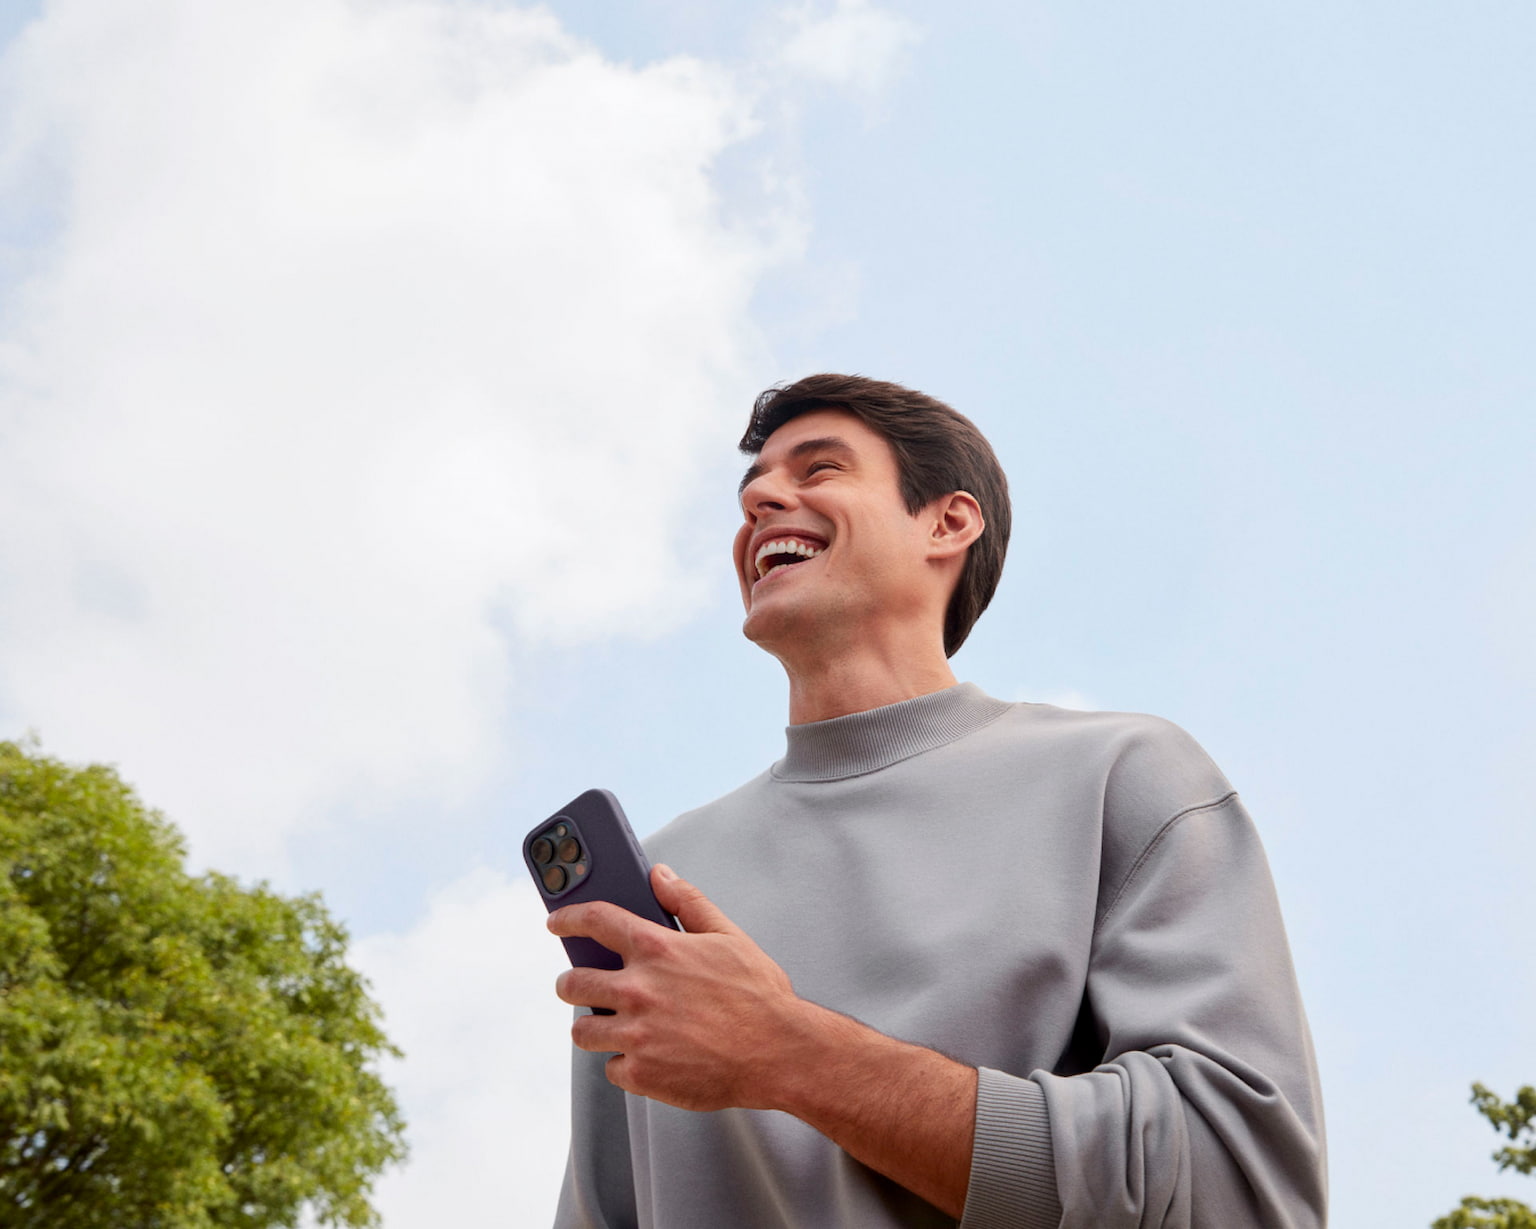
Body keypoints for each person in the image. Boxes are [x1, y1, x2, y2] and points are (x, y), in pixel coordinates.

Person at [549, 374, 1327, 1228]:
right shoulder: (668, 884)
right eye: (754, 489)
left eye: (819, 470)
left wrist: (788, 1050)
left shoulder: (1120, 779)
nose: (764, 499)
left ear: (948, 522)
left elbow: (1234, 1186)